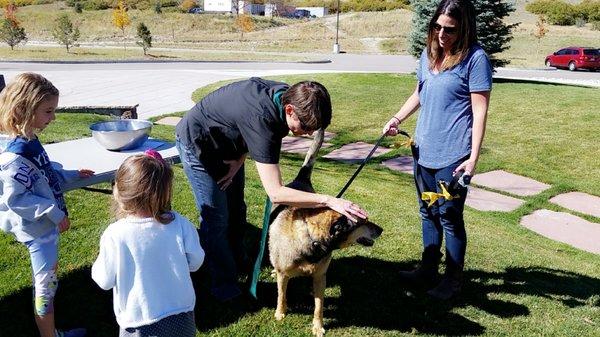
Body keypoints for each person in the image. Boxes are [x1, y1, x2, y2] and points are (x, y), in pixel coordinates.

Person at [176, 77, 368, 301]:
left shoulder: (287, 97)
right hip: (198, 143)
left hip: (229, 146)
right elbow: (276, 193)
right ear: (289, 110)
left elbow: (243, 124)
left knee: (237, 210)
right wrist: (329, 201)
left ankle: (239, 260)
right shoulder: (263, 119)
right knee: (216, 219)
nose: (306, 133)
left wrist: (240, 157)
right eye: (305, 127)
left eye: (312, 130)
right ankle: (224, 285)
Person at [382, 0, 492, 300]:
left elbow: (480, 111)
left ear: (464, 28)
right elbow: (420, 91)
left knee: (450, 217)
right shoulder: (429, 54)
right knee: (427, 212)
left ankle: (453, 280)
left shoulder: (475, 59)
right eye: (437, 27)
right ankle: (427, 270)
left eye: (450, 29)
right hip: (423, 151)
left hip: (453, 157)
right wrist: (397, 118)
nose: (442, 34)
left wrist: (472, 159)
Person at [0, 73, 94, 337]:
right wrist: (53, 213)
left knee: (48, 281)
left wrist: (71, 174)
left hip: (44, 229)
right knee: (46, 285)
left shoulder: (28, 139)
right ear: (24, 109)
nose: (53, 118)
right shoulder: (14, 156)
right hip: (38, 231)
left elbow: (40, 172)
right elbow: (16, 198)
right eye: (48, 111)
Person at [91, 150, 205, 337]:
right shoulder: (180, 224)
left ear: (118, 193)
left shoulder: (115, 234)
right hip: (181, 312)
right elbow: (196, 262)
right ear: (164, 192)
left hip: (140, 320)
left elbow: (104, 280)